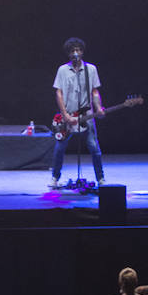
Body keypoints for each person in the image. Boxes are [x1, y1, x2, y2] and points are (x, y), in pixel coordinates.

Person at [48, 38, 105, 189]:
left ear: (82, 51)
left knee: (94, 147)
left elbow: (94, 91)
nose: (76, 53)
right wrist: (65, 115)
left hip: (86, 114)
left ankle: (101, 179)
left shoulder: (91, 69)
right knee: (60, 148)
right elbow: (58, 93)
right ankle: (54, 177)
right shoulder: (62, 70)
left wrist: (98, 107)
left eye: (78, 50)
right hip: (68, 115)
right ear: (68, 53)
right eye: (72, 50)